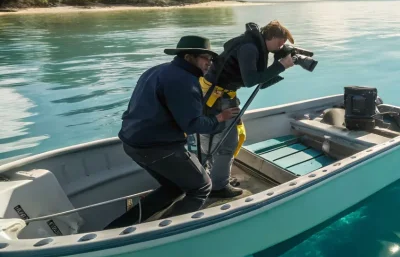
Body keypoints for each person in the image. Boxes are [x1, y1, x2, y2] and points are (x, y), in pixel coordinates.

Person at [105, 36, 240, 229]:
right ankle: (167, 229)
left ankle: (120, 227)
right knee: (201, 187)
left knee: (173, 187)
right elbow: (192, 125)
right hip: (158, 148)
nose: (209, 64)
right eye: (205, 58)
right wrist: (220, 118)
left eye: (211, 60)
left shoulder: (156, 70)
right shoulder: (185, 81)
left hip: (132, 143)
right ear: (188, 57)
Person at [198, 21, 295, 198]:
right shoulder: (250, 48)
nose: (282, 45)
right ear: (271, 37)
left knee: (216, 139)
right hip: (216, 97)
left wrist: (279, 64)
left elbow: (261, 82)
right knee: (227, 142)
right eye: (281, 42)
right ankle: (218, 187)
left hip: (221, 95)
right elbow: (251, 81)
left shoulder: (255, 45)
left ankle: (213, 178)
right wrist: (281, 65)